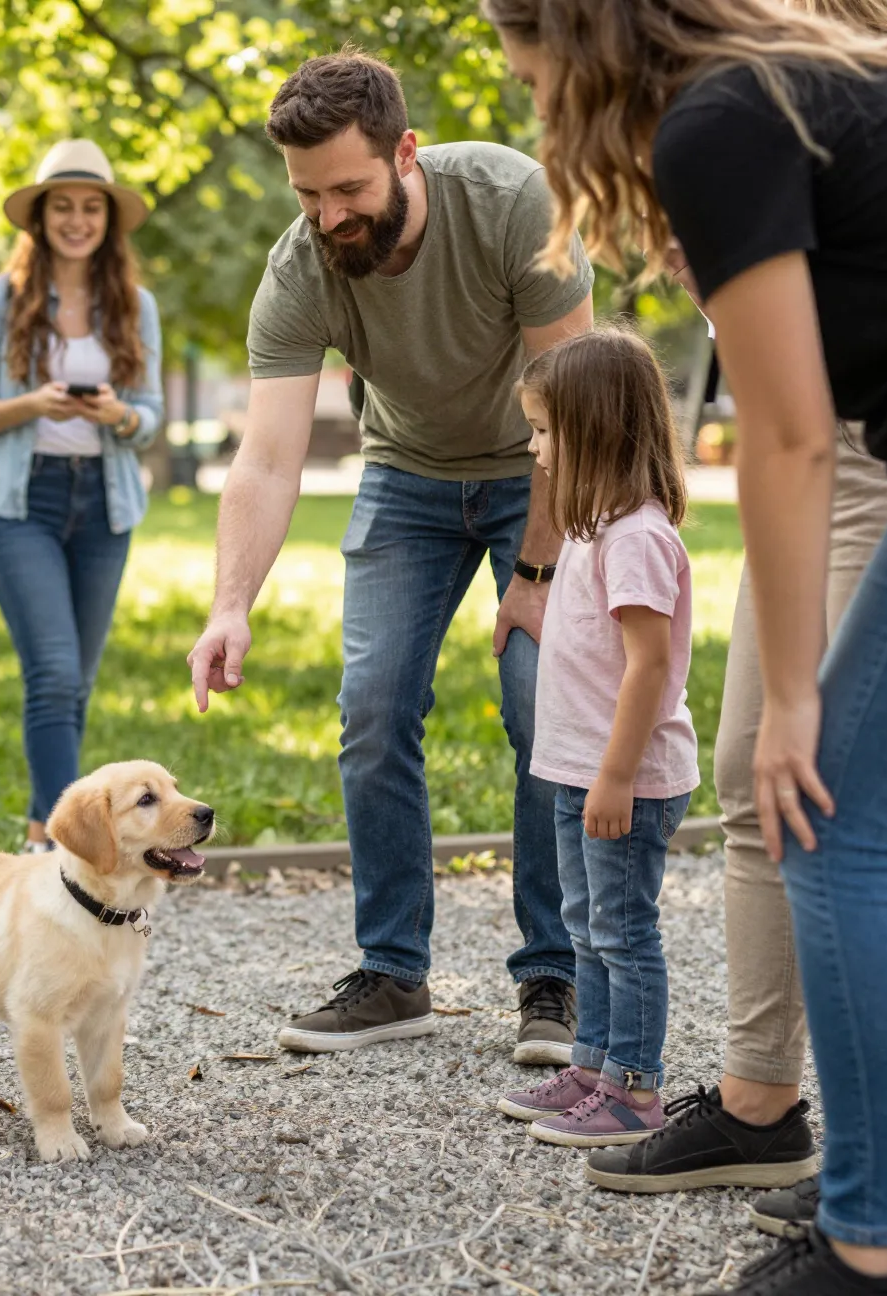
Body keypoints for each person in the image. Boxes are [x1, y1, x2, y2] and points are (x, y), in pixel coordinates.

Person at [488, 1, 887, 1291]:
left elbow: (786, 441)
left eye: (529, 76)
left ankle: (875, 1244)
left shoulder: (724, 121)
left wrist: (791, 694)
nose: (535, 107)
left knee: (829, 820)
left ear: (582, 47)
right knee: (873, 826)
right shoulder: (791, 93)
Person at [185, 49, 594, 1061]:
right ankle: (392, 972)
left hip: (536, 469)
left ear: (406, 153)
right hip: (407, 476)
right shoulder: (303, 264)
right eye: (309, 195)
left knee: (540, 704)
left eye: (350, 189)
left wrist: (537, 577)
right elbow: (269, 456)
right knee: (372, 707)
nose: (330, 217)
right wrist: (230, 603)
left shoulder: (512, 205)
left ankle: (554, 975)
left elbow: (576, 421)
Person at [492, 329, 698, 1149]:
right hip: (581, 773)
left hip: (625, 780)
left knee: (622, 932)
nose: (535, 448)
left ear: (598, 427)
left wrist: (614, 778)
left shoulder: (636, 537)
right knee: (586, 928)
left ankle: (636, 1092)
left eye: (545, 430)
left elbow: (649, 668)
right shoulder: (591, 526)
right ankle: (594, 1066)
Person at [0, 140, 164, 851]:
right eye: (63, 207)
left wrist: (117, 415)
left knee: (76, 684)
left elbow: (150, 416)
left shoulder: (135, 306)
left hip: (103, 506)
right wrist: (32, 405)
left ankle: (46, 826)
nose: (77, 220)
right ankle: (58, 845)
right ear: (40, 218)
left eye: (91, 207)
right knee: (53, 673)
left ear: (109, 219)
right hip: (22, 504)